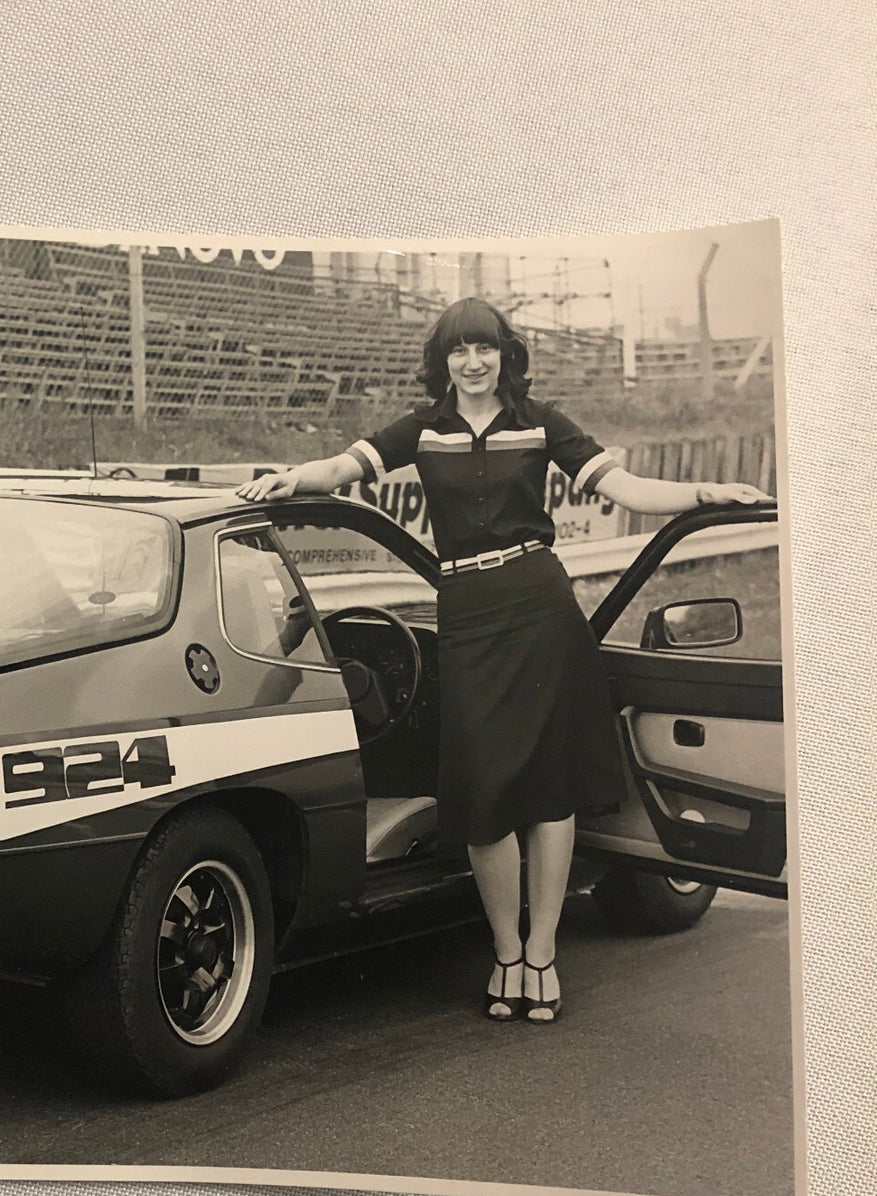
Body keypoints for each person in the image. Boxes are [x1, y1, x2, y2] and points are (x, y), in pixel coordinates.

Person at [236, 297, 767, 1023]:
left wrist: (703, 493)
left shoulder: (541, 422)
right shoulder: (422, 429)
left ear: (504, 354)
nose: (473, 361)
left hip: (540, 609)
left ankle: (540, 953)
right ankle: (504, 947)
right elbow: (342, 466)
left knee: (548, 793)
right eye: (459, 350)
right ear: (443, 360)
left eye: (484, 347)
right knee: (483, 797)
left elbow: (625, 488)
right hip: (466, 614)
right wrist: (289, 478)